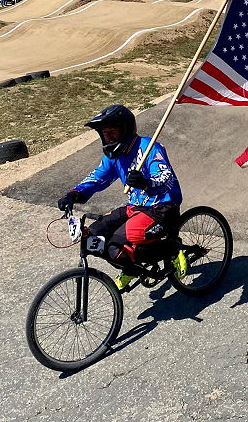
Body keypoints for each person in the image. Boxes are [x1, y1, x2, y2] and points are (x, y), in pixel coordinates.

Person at [56, 104, 186, 291]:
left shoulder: (149, 148)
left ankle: (172, 249)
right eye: (105, 134)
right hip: (135, 207)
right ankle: (130, 267)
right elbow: (97, 177)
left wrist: (146, 183)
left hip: (162, 207)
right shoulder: (114, 157)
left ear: (125, 129)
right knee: (93, 237)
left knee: (119, 242)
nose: (109, 137)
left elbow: (166, 178)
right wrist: (74, 194)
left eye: (112, 132)